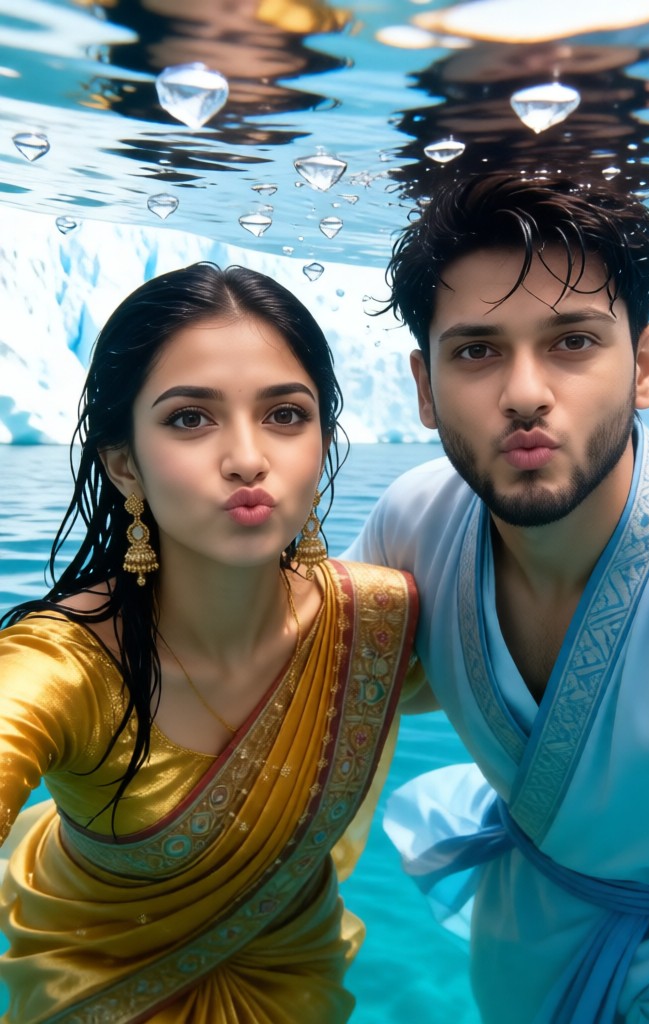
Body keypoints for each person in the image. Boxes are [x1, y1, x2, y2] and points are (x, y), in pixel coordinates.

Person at [345, 175, 649, 1023]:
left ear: (645, 366)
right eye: (476, 351)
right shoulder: (415, 522)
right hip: (524, 931)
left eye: (572, 342)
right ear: (424, 390)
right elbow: (284, 667)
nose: (526, 392)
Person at [0, 263, 417, 1024]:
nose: (248, 457)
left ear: (322, 443)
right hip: (97, 991)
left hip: (301, 985)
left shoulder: (377, 624)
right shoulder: (61, 666)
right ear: (124, 464)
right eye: (191, 418)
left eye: (286, 415)